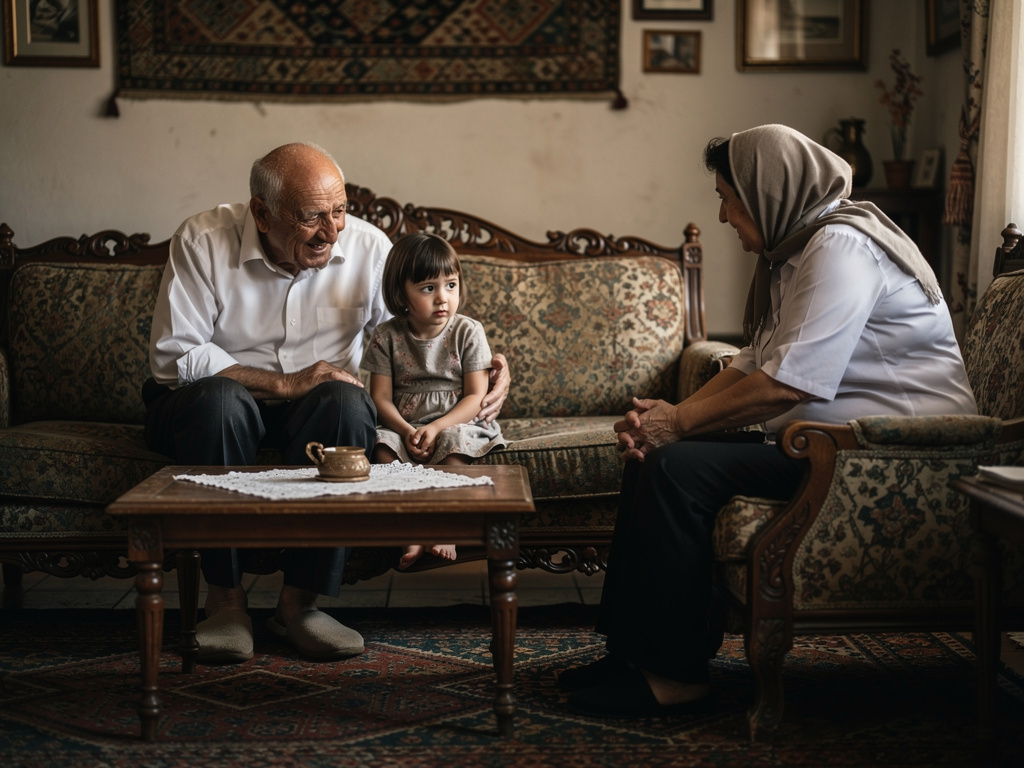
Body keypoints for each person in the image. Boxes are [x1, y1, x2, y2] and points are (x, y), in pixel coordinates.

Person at [557, 124, 978, 717]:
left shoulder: (842, 249)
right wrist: (671, 418)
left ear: (768, 191)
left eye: (728, 196)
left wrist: (677, 427)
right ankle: (634, 654)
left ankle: (675, 677)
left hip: (896, 457)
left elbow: (786, 384)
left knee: (676, 469)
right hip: (831, 446)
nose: (724, 214)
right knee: (657, 458)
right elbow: (757, 362)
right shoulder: (797, 251)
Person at [144, 142, 510, 665]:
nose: (332, 231)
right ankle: (224, 601)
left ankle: (299, 605)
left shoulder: (368, 246)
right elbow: (172, 356)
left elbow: (424, 328)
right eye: (312, 217)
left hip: (315, 413)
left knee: (347, 404)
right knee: (221, 403)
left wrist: (490, 362)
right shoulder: (203, 239)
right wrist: (287, 382)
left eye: (338, 212)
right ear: (262, 213)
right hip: (211, 406)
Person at [360, 232, 507, 569]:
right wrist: (407, 430)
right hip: (405, 422)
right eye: (429, 288)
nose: (443, 298)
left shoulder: (468, 332)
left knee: (454, 443)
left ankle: (444, 528)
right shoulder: (387, 336)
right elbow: (379, 398)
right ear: (402, 294)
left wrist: (438, 426)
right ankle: (411, 530)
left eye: (451, 285)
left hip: (456, 420)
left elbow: (475, 396)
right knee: (382, 444)